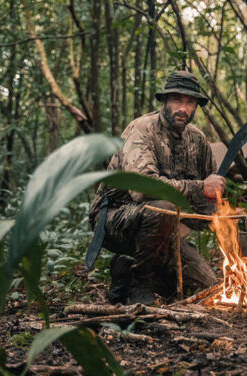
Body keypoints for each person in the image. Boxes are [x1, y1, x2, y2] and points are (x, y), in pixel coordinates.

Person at [89, 70, 224, 305]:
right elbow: (142, 190)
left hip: (167, 226)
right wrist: (201, 188)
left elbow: (207, 199)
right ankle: (141, 283)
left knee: (207, 287)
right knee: (161, 206)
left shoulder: (198, 140)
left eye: (190, 102)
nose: (183, 108)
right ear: (164, 101)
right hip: (115, 220)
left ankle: (126, 270)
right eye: (177, 100)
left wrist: (218, 207)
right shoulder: (142, 129)